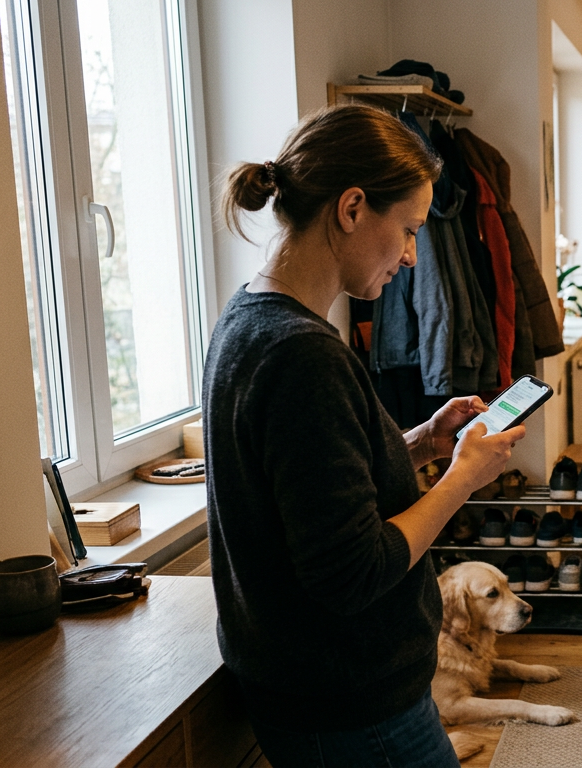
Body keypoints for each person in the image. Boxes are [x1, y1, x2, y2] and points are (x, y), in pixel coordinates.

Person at [203, 104, 524, 768]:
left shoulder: (249, 318)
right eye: (408, 229)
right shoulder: (302, 354)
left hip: (323, 693)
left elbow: (312, 492)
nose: (411, 257)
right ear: (351, 208)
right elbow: (354, 572)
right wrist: (463, 477)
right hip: (353, 709)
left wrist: (421, 445)